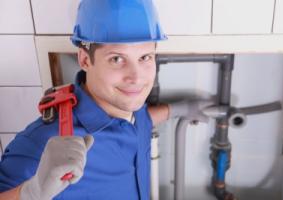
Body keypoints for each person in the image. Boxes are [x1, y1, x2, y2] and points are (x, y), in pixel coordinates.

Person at [0, 0, 213, 199]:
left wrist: (179, 109)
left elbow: (139, 122)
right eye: (117, 59)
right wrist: (32, 192)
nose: (136, 78)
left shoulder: (130, 107)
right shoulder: (44, 144)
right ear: (84, 59)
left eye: (145, 57)